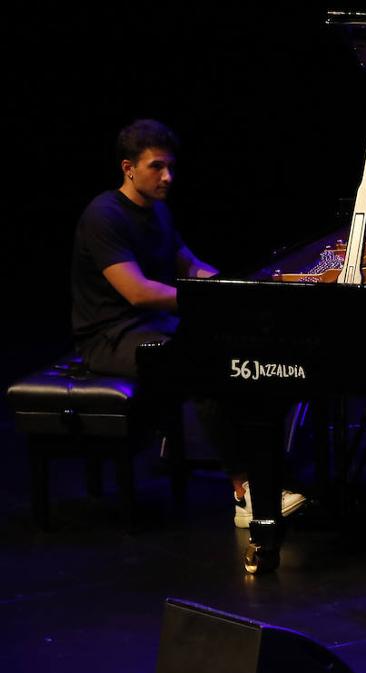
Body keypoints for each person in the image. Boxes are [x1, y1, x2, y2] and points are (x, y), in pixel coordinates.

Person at [70, 119, 304, 527]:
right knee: (208, 370)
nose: (168, 177)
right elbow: (138, 292)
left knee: (241, 353)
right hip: (111, 337)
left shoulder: (158, 210)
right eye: (156, 167)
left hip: (153, 326)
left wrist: (241, 289)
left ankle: (271, 474)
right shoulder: (103, 216)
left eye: (170, 167)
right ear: (128, 168)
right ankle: (245, 492)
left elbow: (191, 266)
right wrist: (209, 302)